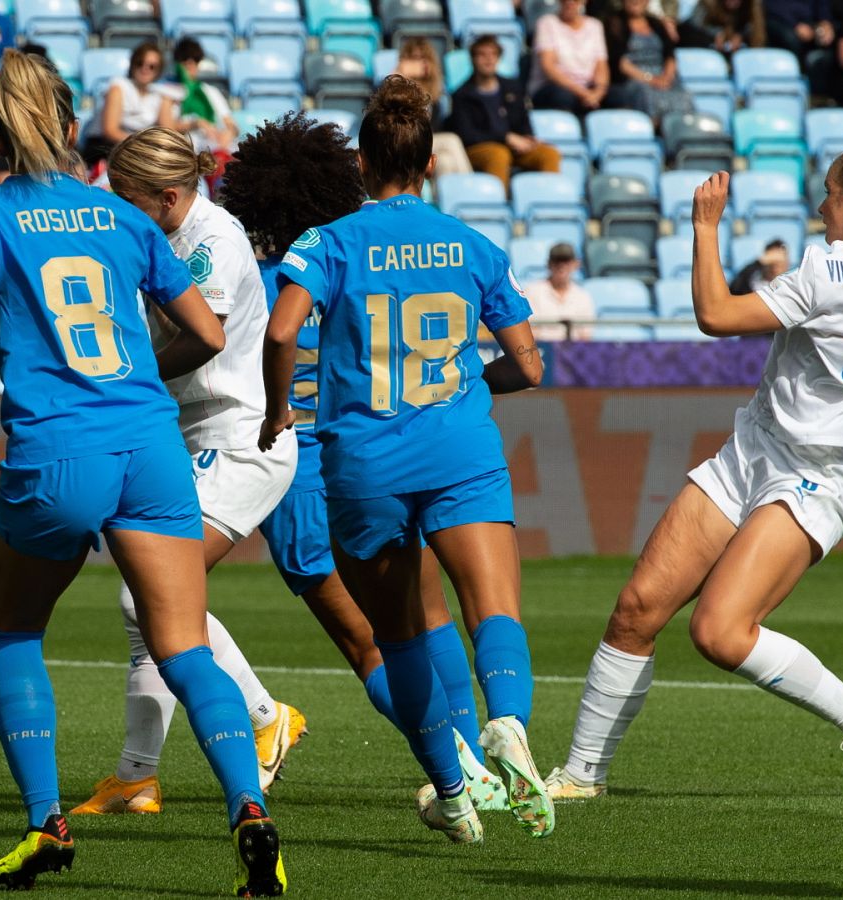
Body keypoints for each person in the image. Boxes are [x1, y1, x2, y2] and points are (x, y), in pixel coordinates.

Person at [0, 49, 285, 895]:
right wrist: (129, 383)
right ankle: (250, 813)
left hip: (57, 451)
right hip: (151, 447)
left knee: (17, 633)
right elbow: (200, 331)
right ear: (66, 118)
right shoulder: (122, 216)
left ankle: (45, 825)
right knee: (186, 649)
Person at [549, 152, 843, 805]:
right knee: (636, 611)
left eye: (829, 195)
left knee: (718, 631)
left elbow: (715, 316)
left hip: (811, 473)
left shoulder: (827, 268)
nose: (821, 207)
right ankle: (581, 774)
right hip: (752, 449)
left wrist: (706, 227)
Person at [262, 75, 551, 845]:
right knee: (492, 608)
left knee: (401, 638)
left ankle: (455, 793)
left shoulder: (328, 242)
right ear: (428, 165)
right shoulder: (473, 245)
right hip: (460, 448)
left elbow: (284, 330)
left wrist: (274, 408)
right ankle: (511, 722)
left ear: (362, 163)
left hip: (363, 463)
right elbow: (528, 365)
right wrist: (465, 382)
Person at [224, 110, 508, 812]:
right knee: (428, 612)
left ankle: (457, 775)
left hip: (299, 461)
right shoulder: (356, 253)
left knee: (371, 643)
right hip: (389, 446)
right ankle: (476, 765)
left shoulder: (264, 275)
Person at [72, 125, 306, 816]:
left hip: (240, 438)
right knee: (150, 602)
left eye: (129, 198)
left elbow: (195, 344)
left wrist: (122, 379)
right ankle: (138, 777)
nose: (118, 209)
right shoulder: (154, 228)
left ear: (169, 197)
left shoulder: (214, 242)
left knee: (146, 598)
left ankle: (262, 720)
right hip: (185, 435)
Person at [450, 35, 561, 191]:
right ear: (473, 59)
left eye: (493, 54)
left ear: (498, 58)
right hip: (480, 148)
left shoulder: (513, 87)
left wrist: (528, 138)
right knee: (499, 154)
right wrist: (505, 138)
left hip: (514, 146)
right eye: (482, 55)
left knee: (549, 154)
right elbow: (467, 135)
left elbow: (523, 119)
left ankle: (550, 202)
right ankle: (498, 206)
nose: (488, 59)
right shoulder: (462, 95)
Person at [80, 41, 175, 166]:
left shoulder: (159, 94)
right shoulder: (118, 86)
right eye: (140, 63)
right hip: (105, 148)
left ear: (158, 71)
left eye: (152, 66)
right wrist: (144, 145)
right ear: (133, 63)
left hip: (136, 149)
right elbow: (110, 131)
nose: (145, 69)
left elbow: (168, 132)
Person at [605, 0, 695, 122]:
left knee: (683, 94)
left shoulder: (657, 24)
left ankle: (685, 127)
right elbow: (620, 63)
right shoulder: (614, 24)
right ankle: (656, 127)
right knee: (645, 94)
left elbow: (670, 56)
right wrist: (650, 79)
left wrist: (666, 77)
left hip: (661, 77)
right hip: (632, 80)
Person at [393, 37, 471, 177]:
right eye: (414, 58)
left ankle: (448, 197)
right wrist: (400, 75)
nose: (420, 63)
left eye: (424, 58)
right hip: (401, 144)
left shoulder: (437, 91)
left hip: (425, 145)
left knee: (445, 162)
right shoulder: (397, 88)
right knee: (451, 141)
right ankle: (471, 188)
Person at [530, 0, 611, 115]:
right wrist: (583, 93)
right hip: (553, 87)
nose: (569, 2)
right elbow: (549, 67)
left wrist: (599, 92)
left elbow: (601, 66)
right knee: (564, 97)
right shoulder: (547, 23)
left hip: (587, 87)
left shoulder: (595, 26)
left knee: (618, 97)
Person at [165, 36, 239, 159]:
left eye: (195, 60)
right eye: (185, 60)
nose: (190, 65)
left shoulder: (210, 91)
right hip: (186, 150)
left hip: (214, 147)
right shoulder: (167, 91)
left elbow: (231, 124)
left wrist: (229, 133)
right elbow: (166, 128)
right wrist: (197, 123)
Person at [526, 242, 595, 340]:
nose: (561, 265)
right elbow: (530, 333)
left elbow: (585, 337)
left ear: (576, 264)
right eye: (556, 260)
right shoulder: (532, 292)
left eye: (566, 260)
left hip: (573, 351)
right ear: (549, 264)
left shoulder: (583, 297)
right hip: (541, 351)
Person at [679, 0, 766, 53]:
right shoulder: (706, 4)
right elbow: (693, 26)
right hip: (703, 50)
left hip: (736, 58)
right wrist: (714, 35)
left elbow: (757, 35)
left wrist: (741, 36)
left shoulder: (751, 8)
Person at [762, 0, 834, 62]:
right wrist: (795, 25)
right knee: (791, 39)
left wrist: (825, 23)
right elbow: (773, 7)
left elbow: (823, 8)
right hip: (784, 23)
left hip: (812, 26)